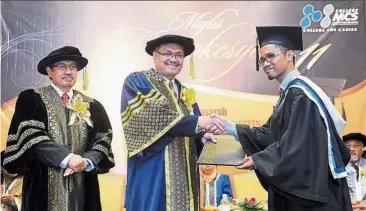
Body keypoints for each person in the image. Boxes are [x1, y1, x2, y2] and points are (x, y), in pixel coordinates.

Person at [219, 26, 352, 211]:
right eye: (262, 59)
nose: (265, 63)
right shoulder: (290, 93)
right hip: (301, 191)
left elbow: (299, 145)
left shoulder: (301, 95)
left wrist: (259, 160)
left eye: (271, 56)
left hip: (312, 196)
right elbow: (272, 135)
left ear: (289, 55)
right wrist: (231, 128)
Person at [2, 46, 115, 211]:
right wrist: (68, 158)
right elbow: (33, 136)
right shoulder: (31, 99)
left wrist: (87, 160)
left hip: (84, 185)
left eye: (73, 67)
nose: (68, 71)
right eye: (62, 66)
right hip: (41, 184)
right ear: (49, 71)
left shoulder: (93, 105)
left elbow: (103, 138)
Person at [121, 34, 226, 211]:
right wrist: (199, 121)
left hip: (185, 174)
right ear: (155, 56)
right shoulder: (139, 80)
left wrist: (203, 137)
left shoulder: (185, 92)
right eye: (167, 53)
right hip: (152, 171)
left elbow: (193, 128)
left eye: (179, 55)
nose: (173, 59)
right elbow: (152, 116)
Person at [343, 133, 366, 210]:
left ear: (362, 148)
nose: (352, 149)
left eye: (356, 146)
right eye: (348, 146)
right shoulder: (336, 168)